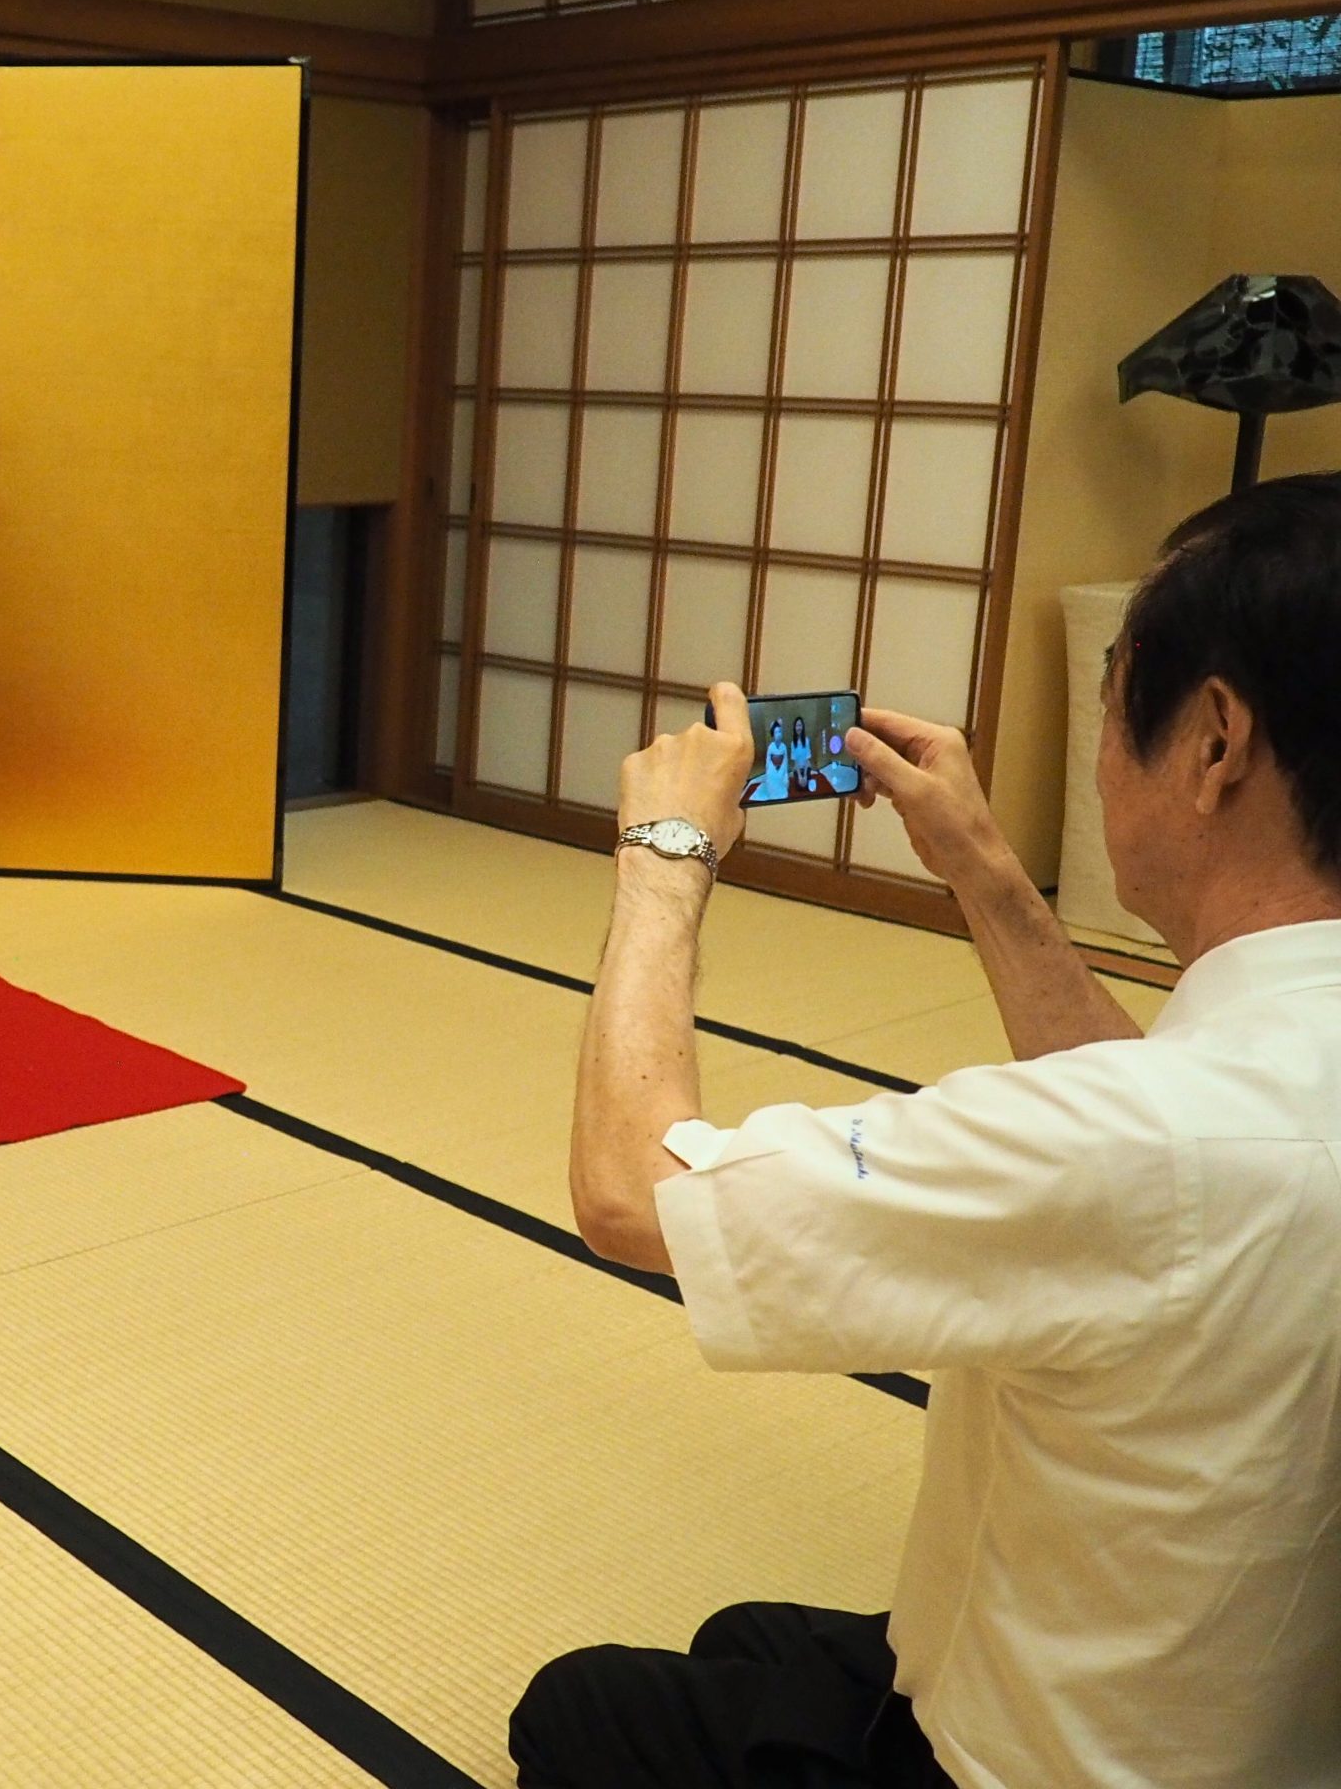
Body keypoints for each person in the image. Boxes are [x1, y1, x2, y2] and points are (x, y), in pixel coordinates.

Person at [517, 474, 1341, 1788]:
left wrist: (665, 855)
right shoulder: (1246, 1085)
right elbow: (1181, 1148)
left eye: (1114, 700)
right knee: (749, 1638)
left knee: (581, 1713)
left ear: (1216, 741)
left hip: (1040, 1764)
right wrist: (983, 865)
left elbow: (635, 1192)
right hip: (1232, 1717)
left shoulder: (1124, 1143)